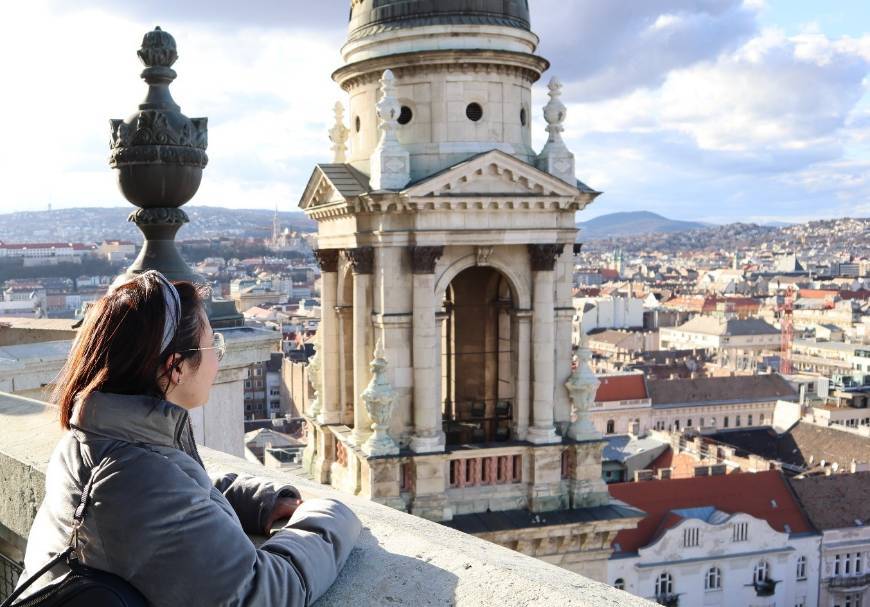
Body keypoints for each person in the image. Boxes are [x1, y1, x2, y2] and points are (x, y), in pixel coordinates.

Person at [16, 271, 361, 606]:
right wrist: (331, 514)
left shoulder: (96, 438)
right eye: (213, 344)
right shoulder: (130, 478)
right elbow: (264, 591)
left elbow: (177, 492)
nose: (218, 359)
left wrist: (258, 500)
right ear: (176, 367)